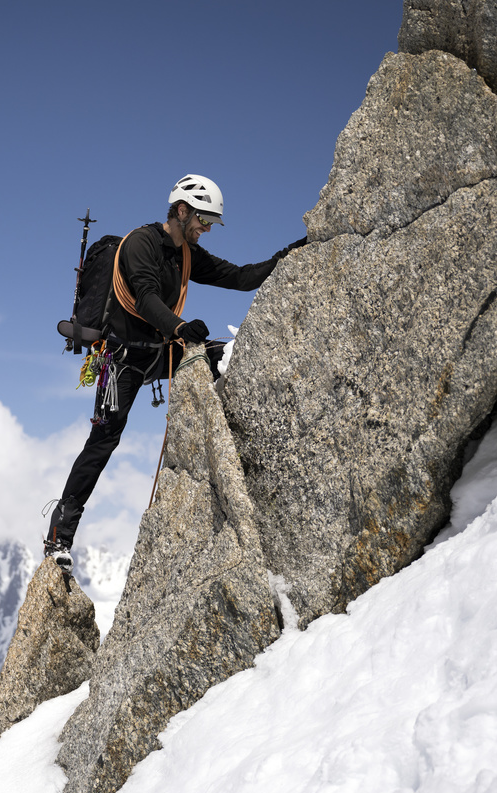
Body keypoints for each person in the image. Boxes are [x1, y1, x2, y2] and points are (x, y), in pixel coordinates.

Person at [43, 173, 303, 572]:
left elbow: (239, 277)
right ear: (182, 211)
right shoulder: (140, 244)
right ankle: (59, 536)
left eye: (211, 223)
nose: (207, 229)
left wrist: (289, 255)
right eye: (204, 220)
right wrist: (180, 328)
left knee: (219, 357)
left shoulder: (188, 254)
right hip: (124, 359)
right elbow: (146, 298)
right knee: (104, 440)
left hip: (161, 350)